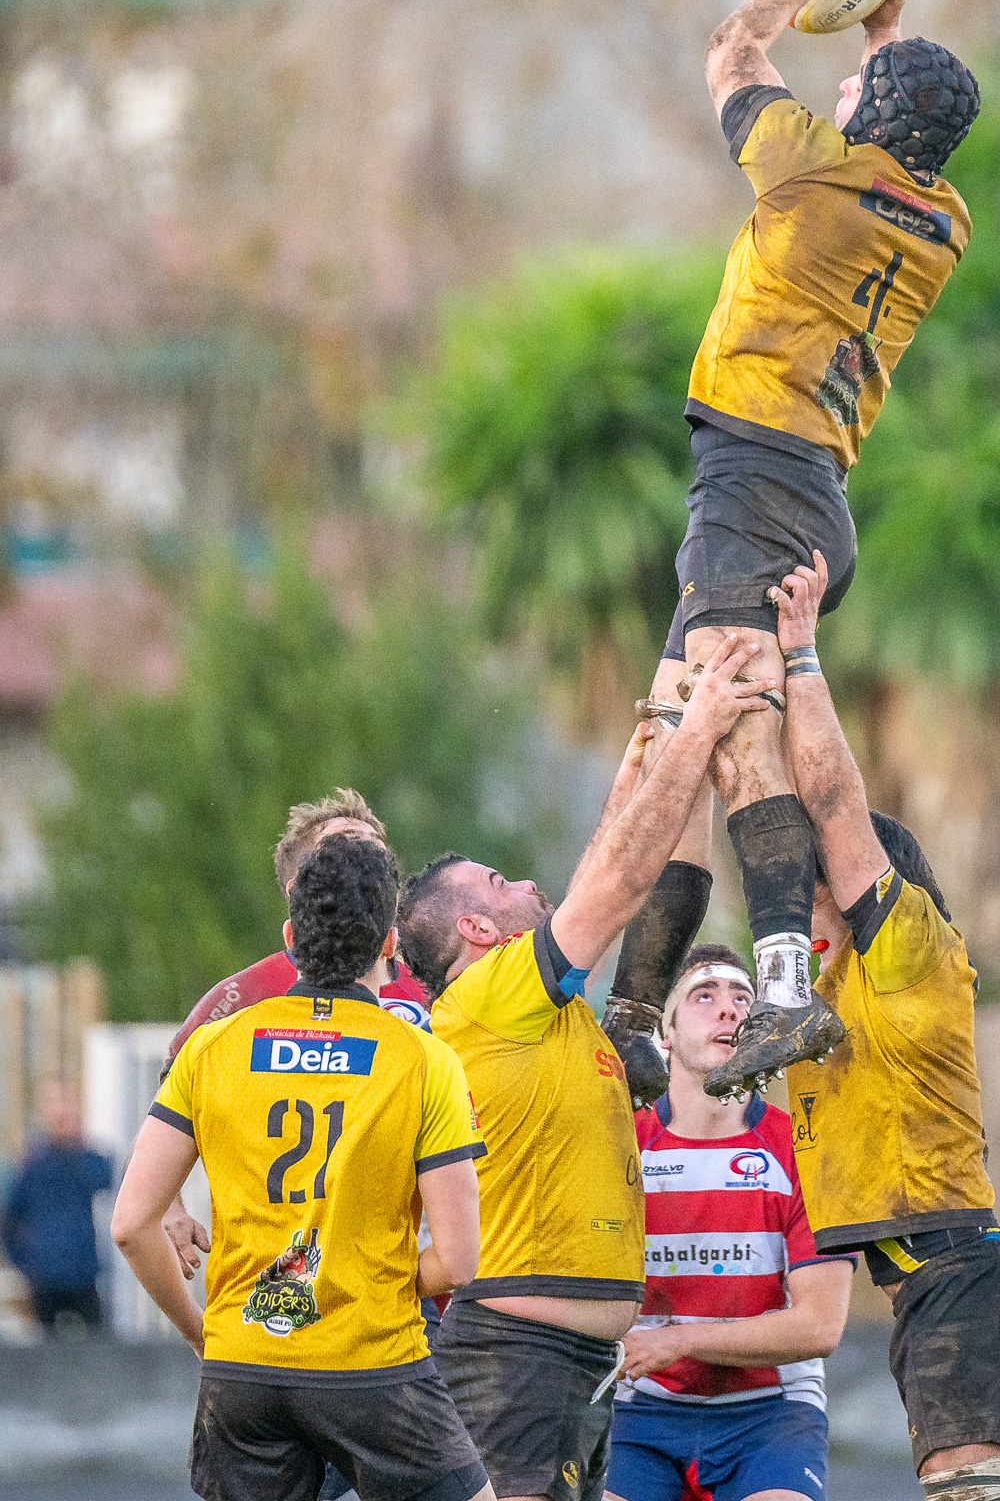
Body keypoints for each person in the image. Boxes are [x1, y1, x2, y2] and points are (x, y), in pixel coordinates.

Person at [602, 0, 981, 1103]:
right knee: (668, 754)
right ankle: (626, 1018)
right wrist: (885, 25)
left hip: (759, 479)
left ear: (865, 120)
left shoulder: (809, 174)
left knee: (730, 736)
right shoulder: (939, 217)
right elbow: (899, 117)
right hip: (799, 485)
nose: (839, 99)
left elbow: (732, 54)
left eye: (858, 93)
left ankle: (780, 985)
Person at [396, 635, 772, 1501]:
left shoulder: (542, 1011)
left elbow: (652, 870)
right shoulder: (492, 995)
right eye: (496, 880)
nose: (524, 880)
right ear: (478, 934)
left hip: (573, 1363)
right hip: (513, 1356)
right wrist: (698, 728)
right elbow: (618, 877)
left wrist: (666, 758)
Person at [771, 553, 1000, 1501]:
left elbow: (832, 804)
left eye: (807, 908)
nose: (791, 932)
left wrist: (802, 656)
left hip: (972, 1294)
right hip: (934, 1299)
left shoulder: (910, 958)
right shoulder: (818, 996)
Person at [111, 831, 495, 1501]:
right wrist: (361, 1280)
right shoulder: (421, 1058)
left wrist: (201, 1333)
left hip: (243, 1364)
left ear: (291, 934)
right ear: (389, 945)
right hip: (372, 1364)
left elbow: (131, 1225)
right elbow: (460, 1262)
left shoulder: (213, 1048)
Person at [605, 943, 854, 1501]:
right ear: (663, 1034)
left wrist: (680, 1341)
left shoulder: (804, 1150)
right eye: (704, 995)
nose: (730, 1010)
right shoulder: (619, 1146)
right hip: (642, 1412)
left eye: (744, 997)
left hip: (770, 1418)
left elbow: (820, 1328)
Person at [159, 787, 429, 1282]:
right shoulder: (248, 993)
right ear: (298, 888)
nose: (363, 861)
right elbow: (171, 1091)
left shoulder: (430, 981)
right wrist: (170, 1205)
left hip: (408, 1286)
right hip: (279, 1284)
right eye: (345, 849)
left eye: (374, 851)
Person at [1, 1081, 112, 1333]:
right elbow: (10, 1220)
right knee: (45, 1352)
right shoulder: (32, 1164)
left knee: (100, 1344)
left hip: (83, 1273)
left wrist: (78, 1142)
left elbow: (106, 1179)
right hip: (44, 1277)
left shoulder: (83, 1157)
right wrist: (25, 1264)